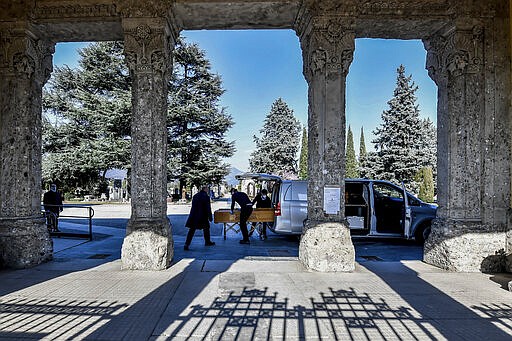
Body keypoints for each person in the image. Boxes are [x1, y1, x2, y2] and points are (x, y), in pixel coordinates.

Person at [184, 186, 216, 250]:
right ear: (205, 189)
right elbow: (208, 208)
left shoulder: (195, 196)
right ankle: (207, 242)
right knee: (206, 229)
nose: (208, 190)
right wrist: (210, 217)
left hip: (194, 215)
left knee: (192, 230)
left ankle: (186, 244)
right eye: (207, 189)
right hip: (203, 216)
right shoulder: (206, 197)